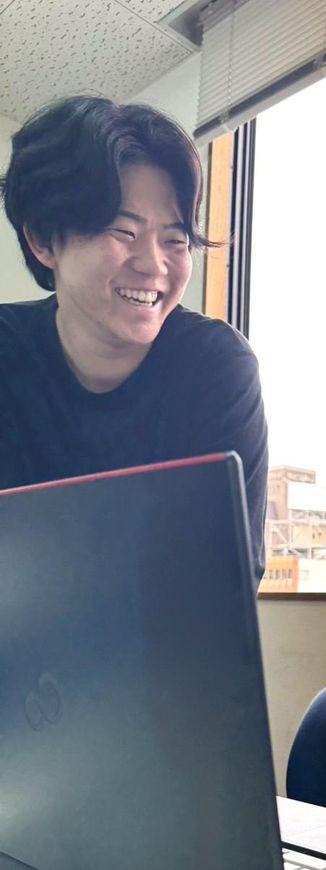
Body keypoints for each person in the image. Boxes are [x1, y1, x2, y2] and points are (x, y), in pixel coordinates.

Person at [0, 96, 268, 581]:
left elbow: (224, 582)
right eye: (124, 231)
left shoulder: (215, 367)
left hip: (166, 633)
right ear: (42, 239)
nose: (153, 264)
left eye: (175, 240)